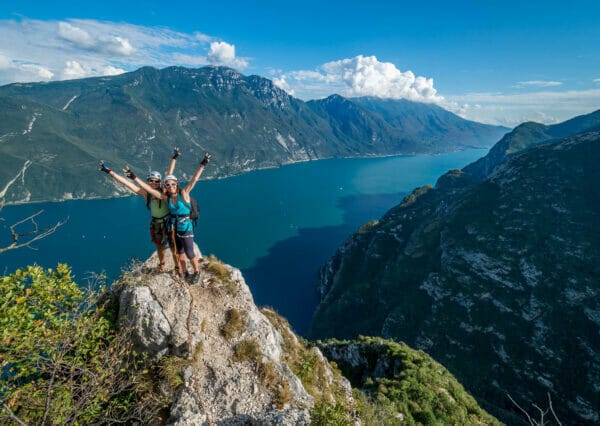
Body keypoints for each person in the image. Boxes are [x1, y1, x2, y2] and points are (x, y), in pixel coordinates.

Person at [131, 152, 210, 282]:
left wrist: (203, 164)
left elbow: (194, 179)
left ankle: (197, 272)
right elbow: (149, 189)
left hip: (186, 228)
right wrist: (134, 177)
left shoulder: (184, 193)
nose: (171, 186)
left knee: (190, 252)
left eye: (173, 184)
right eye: (167, 185)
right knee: (180, 253)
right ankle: (185, 272)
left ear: (177, 184)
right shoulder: (166, 198)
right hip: (175, 228)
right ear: (165, 187)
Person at [99, 148, 180, 272]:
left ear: (160, 182)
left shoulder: (165, 191)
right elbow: (127, 184)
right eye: (151, 181)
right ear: (147, 182)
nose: (153, 183)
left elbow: (169, 172)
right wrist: (109, 172)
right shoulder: (145, 194)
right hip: (156, 223)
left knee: (174, 245)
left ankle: (177, 267)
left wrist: (174, 158)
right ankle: (162, 263)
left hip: (169, 222)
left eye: (156, 181)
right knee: (160, 246)